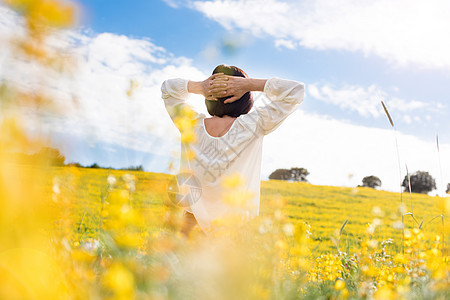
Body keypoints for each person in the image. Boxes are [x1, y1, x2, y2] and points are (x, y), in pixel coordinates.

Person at [161, 64, 305, 237]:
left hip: (190, 226)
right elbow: (296, 91)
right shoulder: (254, 124)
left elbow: (168, 90)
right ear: (245, 97)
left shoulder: (190, 124)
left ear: (210, 96)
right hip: (235, 229)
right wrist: (249, 85)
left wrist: (199, 87)